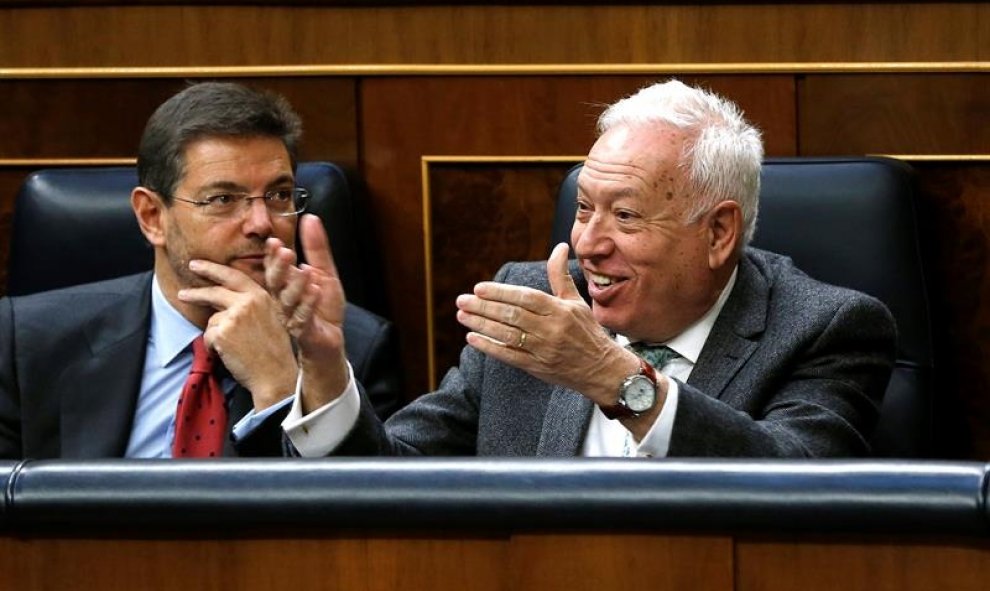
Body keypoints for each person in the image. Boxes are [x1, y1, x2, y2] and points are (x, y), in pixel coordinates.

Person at [268, 79, 896, 458]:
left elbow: (797, 490)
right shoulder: (530, 302)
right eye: (584, 208)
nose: (588, 244)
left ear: (718, 232)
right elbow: (395, 482)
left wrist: (613, 377)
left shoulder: (824, 328)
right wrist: (324, 372)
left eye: (625, 217)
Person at [0, 81, 400, 459]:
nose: (262, 222)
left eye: (279, 195)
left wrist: (280, 389)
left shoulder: (349, 352)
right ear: (152, 216)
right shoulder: (30, 343)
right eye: (223, 198)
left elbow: (345, 521)